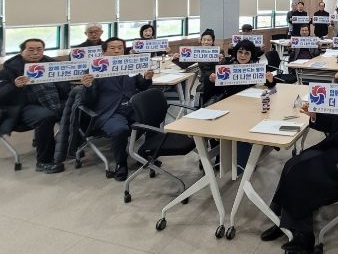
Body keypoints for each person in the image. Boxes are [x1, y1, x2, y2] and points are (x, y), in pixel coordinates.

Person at [260, 53, 338, 254]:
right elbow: (331, 124)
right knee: (291, 164)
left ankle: (304, 236)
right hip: (333, 148)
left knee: (300, 171)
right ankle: (282, 221)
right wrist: (315, 115)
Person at [79, 37, 156, 181]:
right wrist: (87, 86)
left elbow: (141, 86)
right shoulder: (94, 69)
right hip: (110, 111)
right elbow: (88, 101)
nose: (117, 51)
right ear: (103, 52)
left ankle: (145, 152)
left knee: (154, 116)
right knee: (119, 129)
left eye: (120, 48)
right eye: (112, 48)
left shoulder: (130, 65)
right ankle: (121, 163)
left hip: (132, 107)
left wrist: (146, 78)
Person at [0, 39, 70, 174]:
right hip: (23, 106)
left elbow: (65, 88)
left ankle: (73, 147)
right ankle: (44, 161)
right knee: (46, 116)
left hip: (52, 101)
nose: (35, 53)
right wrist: (14, 86)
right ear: (22, 51)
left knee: (76, 107)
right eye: (31, 50)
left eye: (39, 49)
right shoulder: (9, 70)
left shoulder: (52, 65)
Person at [209, 39, 276, 171]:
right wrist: (212, 81)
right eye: (240, 52)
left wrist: (270, 80)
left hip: (249, 106)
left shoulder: (257, 68)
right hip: (227, 104)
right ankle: (220, 156)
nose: (243, 56)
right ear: (236, 53)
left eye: (247, 53)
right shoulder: (226, 67)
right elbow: (214, 91)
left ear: (252, 55)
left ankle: (245, 159)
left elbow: (273, 89)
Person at [172, 28, 221, 106]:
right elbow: (184, 65)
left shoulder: (219, 52)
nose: (206, 42)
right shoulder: (198, 52)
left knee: (202, 90)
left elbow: (225, 66)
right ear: (201, 41)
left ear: (213, 41)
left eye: (209, 40)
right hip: (204, 81)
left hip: (216, 81)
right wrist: (176, 59)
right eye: (204, 40)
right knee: (201, 90)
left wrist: (221, 60)